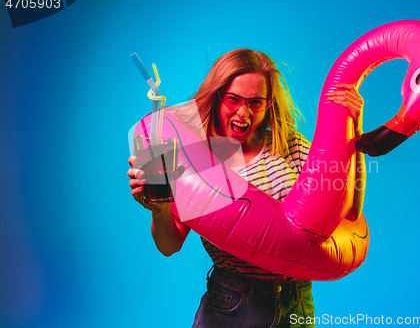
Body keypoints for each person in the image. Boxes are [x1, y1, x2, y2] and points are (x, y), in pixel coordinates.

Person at [127, 49, 365, 328]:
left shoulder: (290, 145)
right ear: (216, 96)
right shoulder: (196, 156)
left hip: (296, 301)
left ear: (269, 104)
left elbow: (348, 210)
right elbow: (169, 246)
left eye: (255, 102)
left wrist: (353, 130)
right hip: (234, 303)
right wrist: (160, 209)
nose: (243, 112)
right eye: (233, 99)